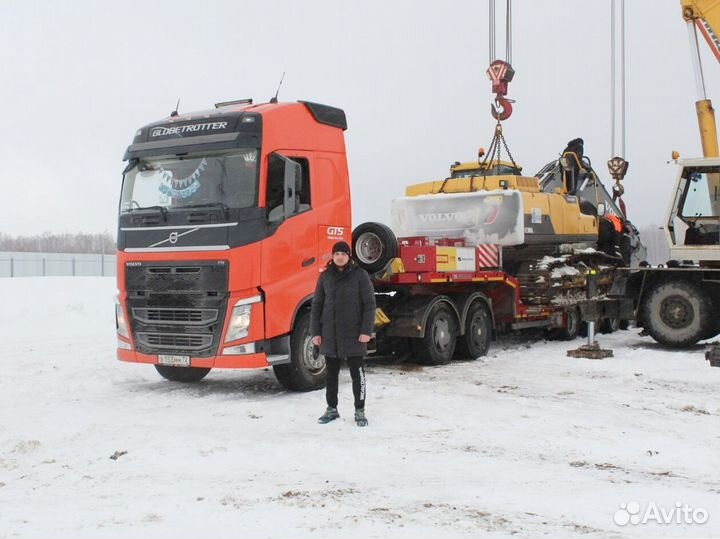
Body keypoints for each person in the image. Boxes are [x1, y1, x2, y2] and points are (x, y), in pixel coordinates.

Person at [311, 241, 376, 427]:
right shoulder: (325, 277)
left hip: (354, 334)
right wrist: (316, 332)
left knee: (358, 374)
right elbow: (317, 305)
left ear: (349, 256)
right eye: (337, 253)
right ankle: (332, 408)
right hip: (330, 334)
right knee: (331, 375)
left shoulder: (360, 276)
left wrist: (366, 331)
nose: (340, 257)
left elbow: (369, 305)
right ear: (333, 256)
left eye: (343, 253)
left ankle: (360, 410)